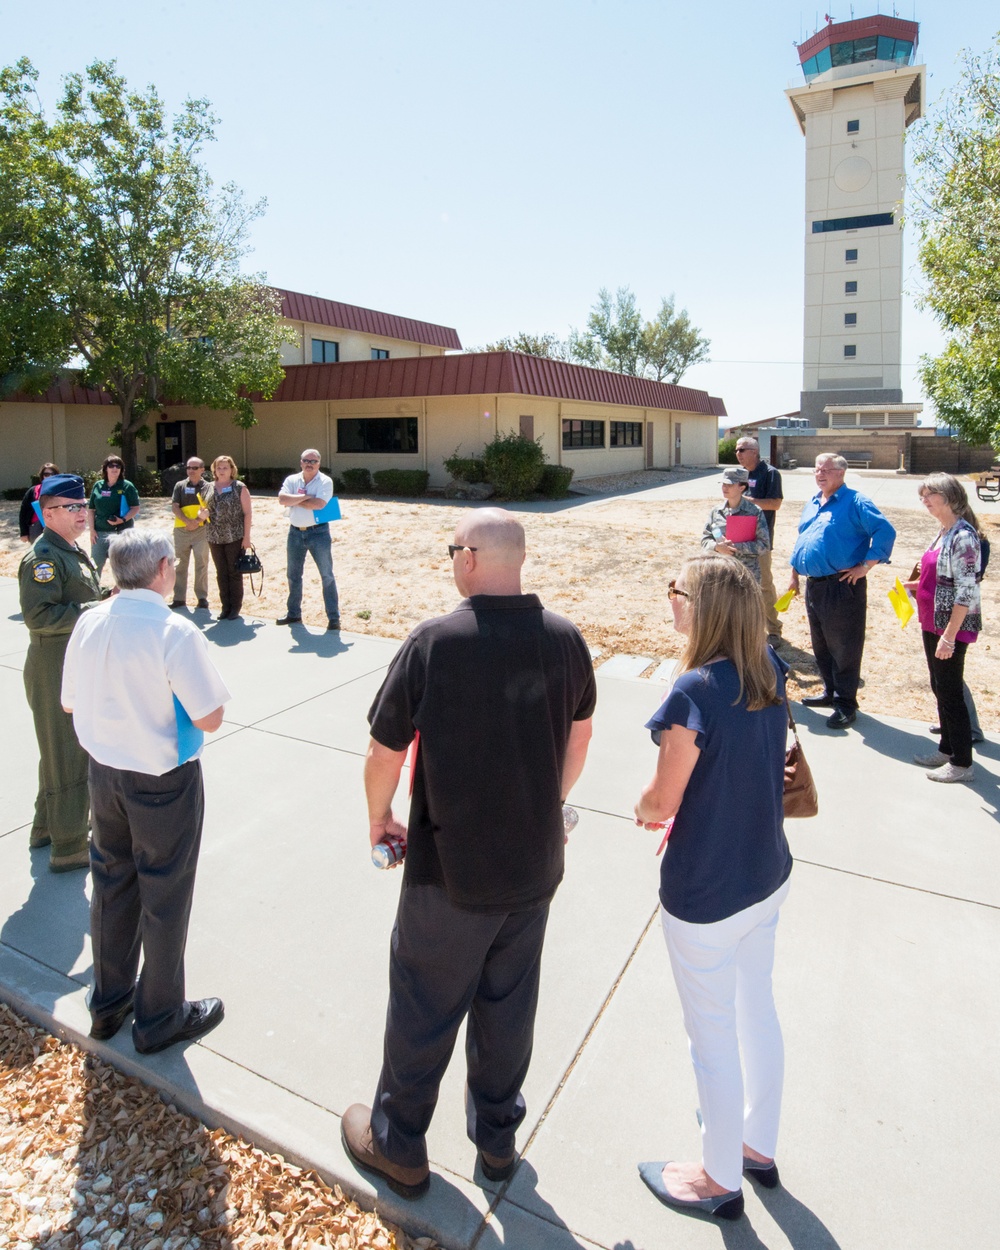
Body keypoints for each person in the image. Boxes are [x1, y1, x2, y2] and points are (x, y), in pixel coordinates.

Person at [342, 509, 596, 1198]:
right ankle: (498, 1141)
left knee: (424, 1004)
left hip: (447, 871)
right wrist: (544, 800)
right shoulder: (567, 640)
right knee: (508, 1008)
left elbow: (384, 752)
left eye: (454, 549)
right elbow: (580, 735)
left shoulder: (435, 641)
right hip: (534, 866)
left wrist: (379, 818)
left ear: (473, 558)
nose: (451, 559)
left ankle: (398, 1143)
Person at [634, 555, 792, 1223]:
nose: (669, 600)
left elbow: (661, 800)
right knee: (757, 1011)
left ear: (701, 608)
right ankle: (757, 1145)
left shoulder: (693, 692)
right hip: (767, 873)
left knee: (713, 1036)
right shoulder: (770, 669)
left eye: (676, 591)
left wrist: (641, 807)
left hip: (706, 891)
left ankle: (718, 1177)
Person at [61, 529, 230, 1053]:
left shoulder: (90, 620)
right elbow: (211, 715)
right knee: (165, 893)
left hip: (103, 773)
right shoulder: (173, 631)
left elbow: (69, 703)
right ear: (162, 568)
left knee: (111, 885)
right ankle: (159, 1017)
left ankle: (109, 1002)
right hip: (161, 782)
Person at [18, 474, 105, 872]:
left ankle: (45, 829)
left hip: (72, 661)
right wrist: (96, 610)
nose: (81, 513)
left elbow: (78, 597)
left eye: (82, 505)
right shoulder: (42, 558)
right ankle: (69, 846)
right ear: (48, 513)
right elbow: (39, 617)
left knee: (59, 752)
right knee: (67, 753)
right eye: (72, 508)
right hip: (54, 664)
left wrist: (104, 600)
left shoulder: (68, 548)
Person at [788, 453, 896, 729]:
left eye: (826, 470)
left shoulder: (856, 501)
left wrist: (866, 566)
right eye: (816, 469)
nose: (820, 474)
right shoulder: (813, 502)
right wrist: (794, 575)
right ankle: (830, 692)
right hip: (815, 585)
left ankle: (846, 704)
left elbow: (885, 531)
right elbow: (803, 539)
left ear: (841, 473)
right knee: (821, 644)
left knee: (844, 647)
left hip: (842, 586)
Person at [903, 474, 984, 783]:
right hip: (932, 620)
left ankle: (962, 763)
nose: (924, 500)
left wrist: (949, 637)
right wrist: (916, 585)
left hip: (950, 627)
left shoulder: (964, 536)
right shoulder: (943, 532)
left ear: (949, 497)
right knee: (940, 686)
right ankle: (947, 748)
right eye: (922, 495)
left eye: (930, 495)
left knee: (950, 692)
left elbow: (966, 592)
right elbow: (938, 576)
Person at [276, 449, 341, 630]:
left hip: (318, 533)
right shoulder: (292, 480)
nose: (309, 463)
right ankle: (293, 614)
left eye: (313, 461)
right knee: (293, 575)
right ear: (301, 462)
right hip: (295, 532)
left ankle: (334, 618)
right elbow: (282, 499)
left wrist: (294, 500)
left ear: (319, 464)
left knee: (327, 576)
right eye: (306, 460)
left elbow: (320, 504)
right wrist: (306, 497)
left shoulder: (325, 481)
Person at [736, 438, 784, 643]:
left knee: (764, 584)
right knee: (739, 585)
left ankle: (773, 630)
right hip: (739, 538)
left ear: (754, 451)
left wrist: (747, 502)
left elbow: (775, 504)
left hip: (760, 540)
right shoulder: (740, 474)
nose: (737, 453)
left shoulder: (770, 473)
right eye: (736, 449)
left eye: (742, 449)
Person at [202, 455, 253, 620]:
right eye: (218, 468)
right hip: (214, 536)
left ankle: (235, 608)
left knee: (234, 572)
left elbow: (247, 513)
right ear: (214, 470)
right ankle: (225, 607)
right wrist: (200, 514)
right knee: (221, 572)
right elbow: (202, 509)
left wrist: (246, 538)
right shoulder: (208, 487)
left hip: (235, 536)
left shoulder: (239, 487)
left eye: (225, 467)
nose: (221, 471)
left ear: (232, 469)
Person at [701, 466, 769, 583]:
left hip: (746, 575)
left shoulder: (754, 512)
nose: (725, 488)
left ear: (741, 487)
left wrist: (735, 547)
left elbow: (764, 545)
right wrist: (717, 547)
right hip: (720, 573)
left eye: (730, 485)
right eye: (723, 484)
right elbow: (705, 540)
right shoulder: (716, 512)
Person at [87, 455, 140, 578]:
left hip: (121, 533)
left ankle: (124, 594)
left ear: (121, 469)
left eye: (118, 466)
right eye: (111, 466)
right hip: (99, 533)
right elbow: (91, 510)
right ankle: (94, 593)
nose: (114, 468)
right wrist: (92, 530)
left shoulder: (127, 486)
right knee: (95, 565)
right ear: (105, 469)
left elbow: (135, 508)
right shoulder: (98, 485)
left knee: (123, 566)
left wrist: (122, 520)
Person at [170, 457, 211, 611]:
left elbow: (209, 508)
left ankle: (202, 598)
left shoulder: (208, 487)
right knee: (180, 565)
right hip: (181, 530)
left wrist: (196, 521)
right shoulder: (180, 486)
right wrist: (188, 521)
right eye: (189, 468)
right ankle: (179, 598)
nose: (191, 471)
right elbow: (175, 507)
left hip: (202, 530)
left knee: (201, 563)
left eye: (195, 468)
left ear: (202, 470)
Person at [18, 463, 60, 543]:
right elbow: (23, 512)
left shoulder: (61, 491)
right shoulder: (33, 491)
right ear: (42, 476)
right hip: (36, 527)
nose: (50, 477)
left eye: (53, 474)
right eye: (46, 474)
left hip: (56, 526)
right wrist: (24, 532)